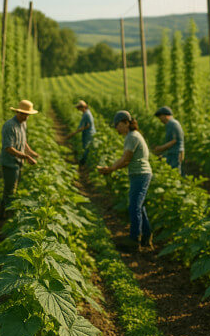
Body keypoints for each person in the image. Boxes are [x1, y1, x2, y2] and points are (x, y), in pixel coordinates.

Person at [97, 110, 153, 251]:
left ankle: (134, 240)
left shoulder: (132, 137)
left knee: (134, 206)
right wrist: (111, 168)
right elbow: (125, 159)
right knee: (139, 207)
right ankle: (146, 237)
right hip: (140, 173)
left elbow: (126, 159)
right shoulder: (132, 136)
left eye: (118, 125)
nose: (116, 128)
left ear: (126, 123)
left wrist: (110, 169)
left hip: (140, 174)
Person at [0, 99, 40, 219]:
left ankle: (3, 214)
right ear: (19, 113)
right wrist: (26, 157)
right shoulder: (9, 126)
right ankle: (6, 217)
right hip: (9, 163)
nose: (27, 117)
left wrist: (31, 152)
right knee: (9, 191)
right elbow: (8, 148)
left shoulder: (23, 124)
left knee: (12, 189)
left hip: (18, 162)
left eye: (28, 115)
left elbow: (23, 141)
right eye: (25, 114)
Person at [151, 106, 184, 174]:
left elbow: (174, 141)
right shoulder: (170, 124)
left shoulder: (173, 123)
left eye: (160, 117)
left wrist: (161, 148)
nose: (160, 119)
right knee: (172, 172)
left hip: (176, 153)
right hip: (173, 152)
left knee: (175, 173)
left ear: (165, 115)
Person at [66, 100, 96, 166]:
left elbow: (83, 127)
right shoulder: (87, 113)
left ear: (83, 107)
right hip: (89, 133)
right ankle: (83, 161)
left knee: (86, 148)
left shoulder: (86, 114)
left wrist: (73, 134)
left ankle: (83, 162)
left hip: (89, 134)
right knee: (86, 147)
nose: (78, 110)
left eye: (79, 108)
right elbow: (87, 125)